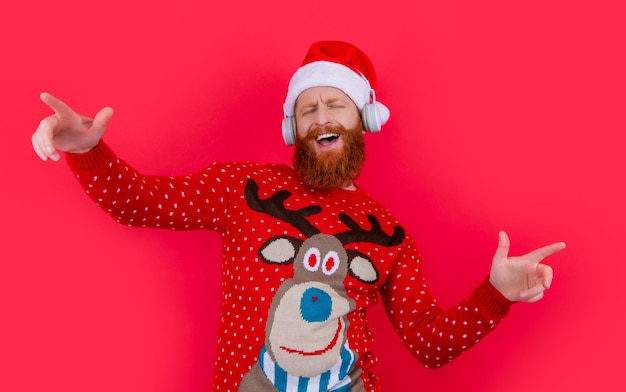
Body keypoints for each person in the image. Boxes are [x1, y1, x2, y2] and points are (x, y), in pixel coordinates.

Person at [31, 41, 565, 392]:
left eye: (336, 104)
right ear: (294, 126)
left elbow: (428, 345)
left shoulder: (388, 232)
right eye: (308, 109)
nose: (321, 117)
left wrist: (496, 294)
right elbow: (140, 202)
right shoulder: (243, 188)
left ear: (360, 121)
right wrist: (87, 150)